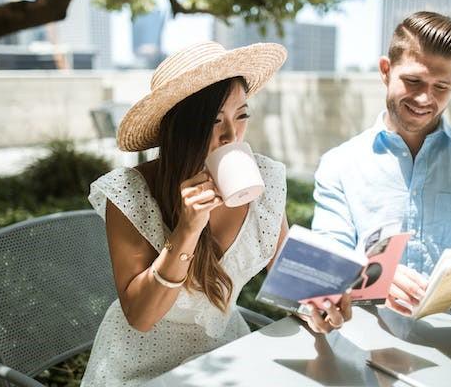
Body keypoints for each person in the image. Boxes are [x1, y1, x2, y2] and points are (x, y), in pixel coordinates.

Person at [81, 41, 352, 386]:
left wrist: (319, 304)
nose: (231, 135)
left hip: (225, 357)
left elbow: (290, 277)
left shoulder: (263, 178)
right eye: (214, 120)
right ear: (180, 127)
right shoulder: (130, 191)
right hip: (140, 368)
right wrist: (187, 229)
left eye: (241, 116)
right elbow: (140, 316)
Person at [312, 11, 451, 332]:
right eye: (413, 81)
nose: (426, 98)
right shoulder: (338, 165)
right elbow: (327, 264)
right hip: (364, 339)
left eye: (441, 86)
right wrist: (368, 276)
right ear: (386, 70)